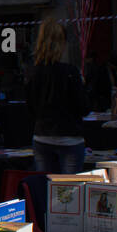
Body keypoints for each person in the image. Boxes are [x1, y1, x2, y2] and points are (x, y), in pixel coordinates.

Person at [26, 18, 89, 173]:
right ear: (61, 44)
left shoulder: (32, 72)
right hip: (69, 138)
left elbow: (30, 107)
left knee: (44, 187)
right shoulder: (71, 73)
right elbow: (83, 107)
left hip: (42, 135)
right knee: (69, 193)